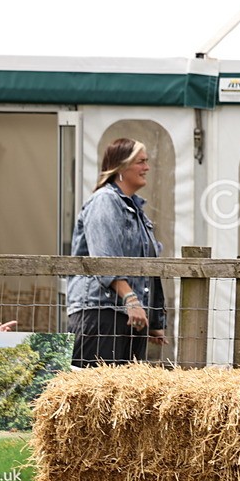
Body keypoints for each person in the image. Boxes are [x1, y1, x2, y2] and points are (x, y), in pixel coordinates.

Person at [66, 138, 168, 366]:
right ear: (121, 167)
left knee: (124, 388)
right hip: (101, 313)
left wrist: (153, 321)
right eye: (141, 162)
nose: (147, 168)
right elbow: (105, 259)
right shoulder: (104, 201)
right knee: (95, 386)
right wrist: (131, 300)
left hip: (129, 316)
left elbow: (149, 269)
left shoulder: (135, 209)